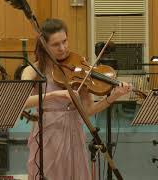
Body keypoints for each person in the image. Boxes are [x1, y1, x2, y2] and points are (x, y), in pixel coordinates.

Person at [22, 18, 132, 180]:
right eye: (56, 44)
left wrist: (113, 96)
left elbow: (88, 110)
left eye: (65, 41)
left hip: (74, 130)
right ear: (44, 46)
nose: (63, 48)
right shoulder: (33, 70)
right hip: (48, 133)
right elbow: (21, 101)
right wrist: (54, 95)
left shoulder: (78, 66)